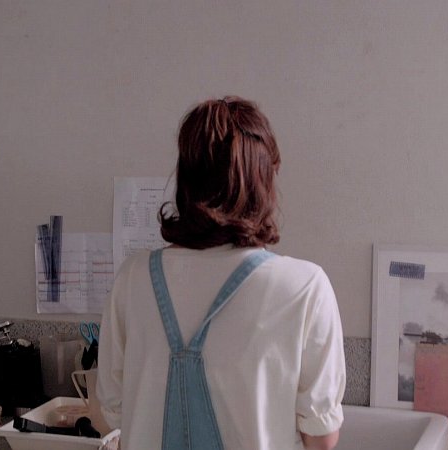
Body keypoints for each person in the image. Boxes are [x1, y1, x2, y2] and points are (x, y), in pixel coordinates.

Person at [96, 96, 345, 450]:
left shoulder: (133, 278)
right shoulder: (304, 288)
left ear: (186, 179)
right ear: (263, 182)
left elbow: (112, 412)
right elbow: (321, 439)